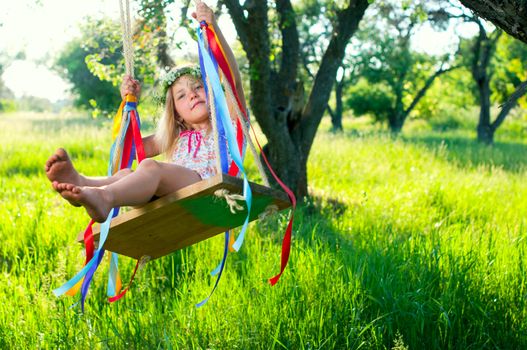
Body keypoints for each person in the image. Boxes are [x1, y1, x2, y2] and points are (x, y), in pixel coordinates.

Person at [44, 2, 246, 223]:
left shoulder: (227, 125)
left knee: (149, 166)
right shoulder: (175, 138)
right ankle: (83, 182)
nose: (192, 95)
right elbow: (124, 154)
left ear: (211, 91)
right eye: (181, 95)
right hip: (166, 195)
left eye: (198, 87)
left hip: (207, 190)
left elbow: (233, 80)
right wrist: (129, 105)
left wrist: (214, 28)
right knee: (126, 174)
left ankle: (105, 197)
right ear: (176, 114)